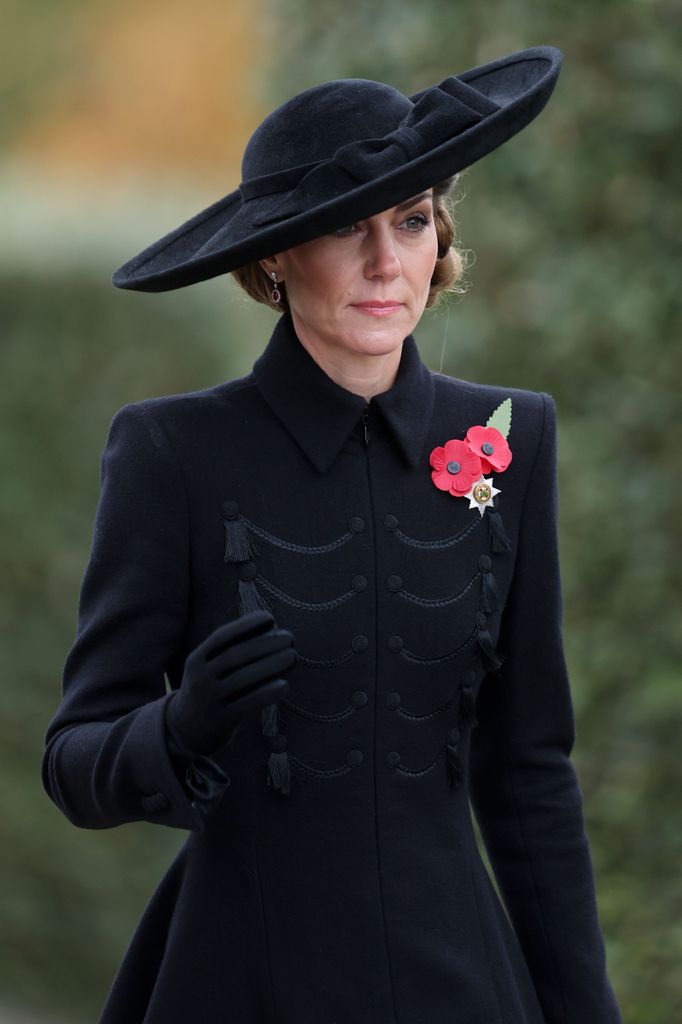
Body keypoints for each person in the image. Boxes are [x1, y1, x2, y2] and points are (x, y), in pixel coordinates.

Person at [41, 46, 623, 1024]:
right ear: (274, 254)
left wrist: (585, 1011)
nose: (386, 263)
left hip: (461, 983)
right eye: (344, 229)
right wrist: (177, 728)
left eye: (409, 222)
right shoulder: (173, 452)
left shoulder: (508, 439)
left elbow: (527, 771)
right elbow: (75, 763)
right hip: (240, 977)